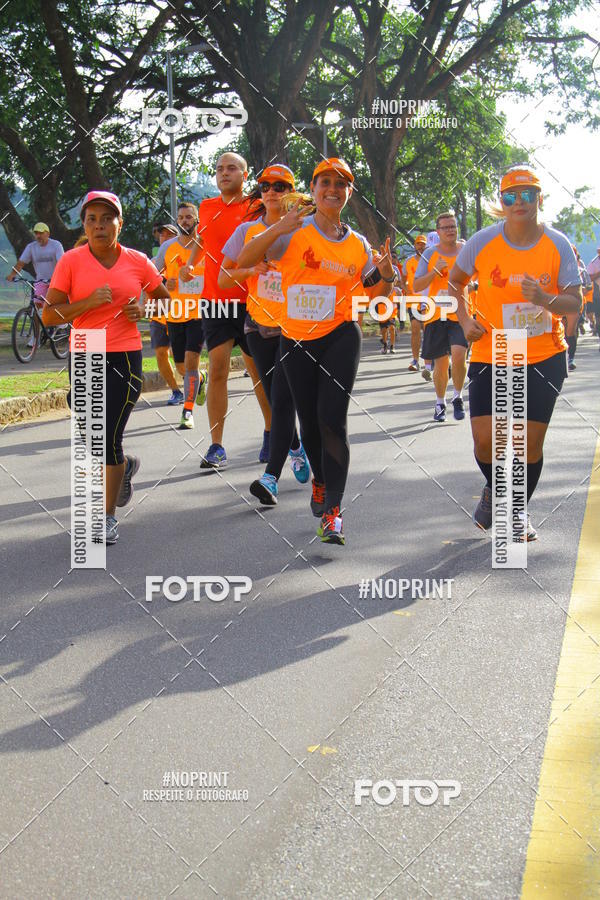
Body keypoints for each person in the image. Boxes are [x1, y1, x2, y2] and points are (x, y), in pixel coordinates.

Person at [236, 157, 395, 545]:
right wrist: (279, 227)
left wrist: (387, 271)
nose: (332, 190)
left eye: (341, 185)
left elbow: (376, 290)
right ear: (314, 187)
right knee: (307, 421)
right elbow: (243, 262)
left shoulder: (357, 244)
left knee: (331, 418)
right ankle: (320, 484)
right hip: (296, 339)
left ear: (349, 193)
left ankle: (335, 511)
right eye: (325, 182)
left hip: (342, 333)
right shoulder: (293, 230)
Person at [448, 165, 582, 542]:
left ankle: (517, 511)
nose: (518, 202)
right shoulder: (482, 242)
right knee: (485, 440)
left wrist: (545, 299)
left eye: (527, 194)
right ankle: (496, 487)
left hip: (542, 353)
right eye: (510, 195)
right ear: (501, 202)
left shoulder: (557, 244)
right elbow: (455, 282)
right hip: (494, 349)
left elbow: (575, 303)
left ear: (540, 198)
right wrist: (463, 318)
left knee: (528, 443)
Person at [42, 190, 171, 545]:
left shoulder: (138, 261)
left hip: (124, 355)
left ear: (119, 223)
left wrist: (144, 313)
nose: (99, 225)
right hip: (84, 350)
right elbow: (49, 314)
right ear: (84, 224)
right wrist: (86, 302)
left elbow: (168, 304)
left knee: (106, 440)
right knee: (90, 440)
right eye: (91, 219)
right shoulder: (70, 261)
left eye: (106, 218)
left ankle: (107, 518)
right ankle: (125, 466)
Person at [219, 164, 311, 504]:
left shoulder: (305, 228)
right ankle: (296, 447)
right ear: (260, 192)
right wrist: (251, 269)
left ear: (291, 191)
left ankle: (271, 477)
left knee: (284, 399)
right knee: (275, 400)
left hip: (295, 325)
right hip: (257, 325)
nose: (272, 191)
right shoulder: (247, 230)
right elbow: (223, 279)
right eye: (266, 186)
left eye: (280, 185)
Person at [180, 152, 271, 468]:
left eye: (231, 168)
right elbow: (203, 239)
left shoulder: (256, 207)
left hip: (251, 300)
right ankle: (216, 446)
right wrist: (191, 264)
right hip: (215, 300)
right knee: (217, 369)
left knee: (258, 372)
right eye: (219, 168)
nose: (224, 173)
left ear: (245, 175)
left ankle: (272, 432)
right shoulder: (206, 207)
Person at [413, 212, 468, 422]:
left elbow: (480, 276)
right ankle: (440, 402)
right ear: (438, 232)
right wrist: (435, 272)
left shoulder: (465, 251)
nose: (450, 230)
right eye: (445, 227)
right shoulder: (429, 254)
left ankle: (458, 397)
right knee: (442, 365)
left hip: (460, 313)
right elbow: (417, 285)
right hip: (436, 315)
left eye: (453, 226)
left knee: (459, 354)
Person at [161, 202, 208, 428]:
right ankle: (200, 379)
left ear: (197, 220)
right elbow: (164, 280)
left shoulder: (205, 248)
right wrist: (167, 284)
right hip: (175, 313)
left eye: (189, 217)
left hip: (199, 314)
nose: (185, 221)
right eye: (181, 217)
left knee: (190, 362)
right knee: (181, 366)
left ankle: (187, 412)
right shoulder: (170, 250)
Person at [150, 223, 183, 405]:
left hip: (180, 313)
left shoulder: (184, 258)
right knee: (161, 352)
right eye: (162, 235)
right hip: (158, 314)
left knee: (183, 361)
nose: (165, 238)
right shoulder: (152, 262)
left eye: (170, 235)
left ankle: (194, 380)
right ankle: (176, 391)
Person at [6, 223, 64, 303]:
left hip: (55, 281)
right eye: (36, 233)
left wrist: (61, 277)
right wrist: (12, 274)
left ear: (48, 234)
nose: (38, 236)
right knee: (36, 304)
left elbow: (62, 263)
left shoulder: (56, 245)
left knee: (54, 305)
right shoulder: (31, 247)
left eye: (41, 233)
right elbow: (21, 263)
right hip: (40, 281)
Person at [402, 234, 431, 374]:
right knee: (415, 329)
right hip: (413, 299)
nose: (420, 246)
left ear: (426, 245)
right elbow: (402, 277)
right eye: (418, 244)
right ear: (414, 245)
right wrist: (405, 286)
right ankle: (415, 360)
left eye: (423, 244)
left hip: (427, 300)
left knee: (428, 330)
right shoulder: (408, 262)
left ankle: (429, 360)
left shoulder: (430, 260)